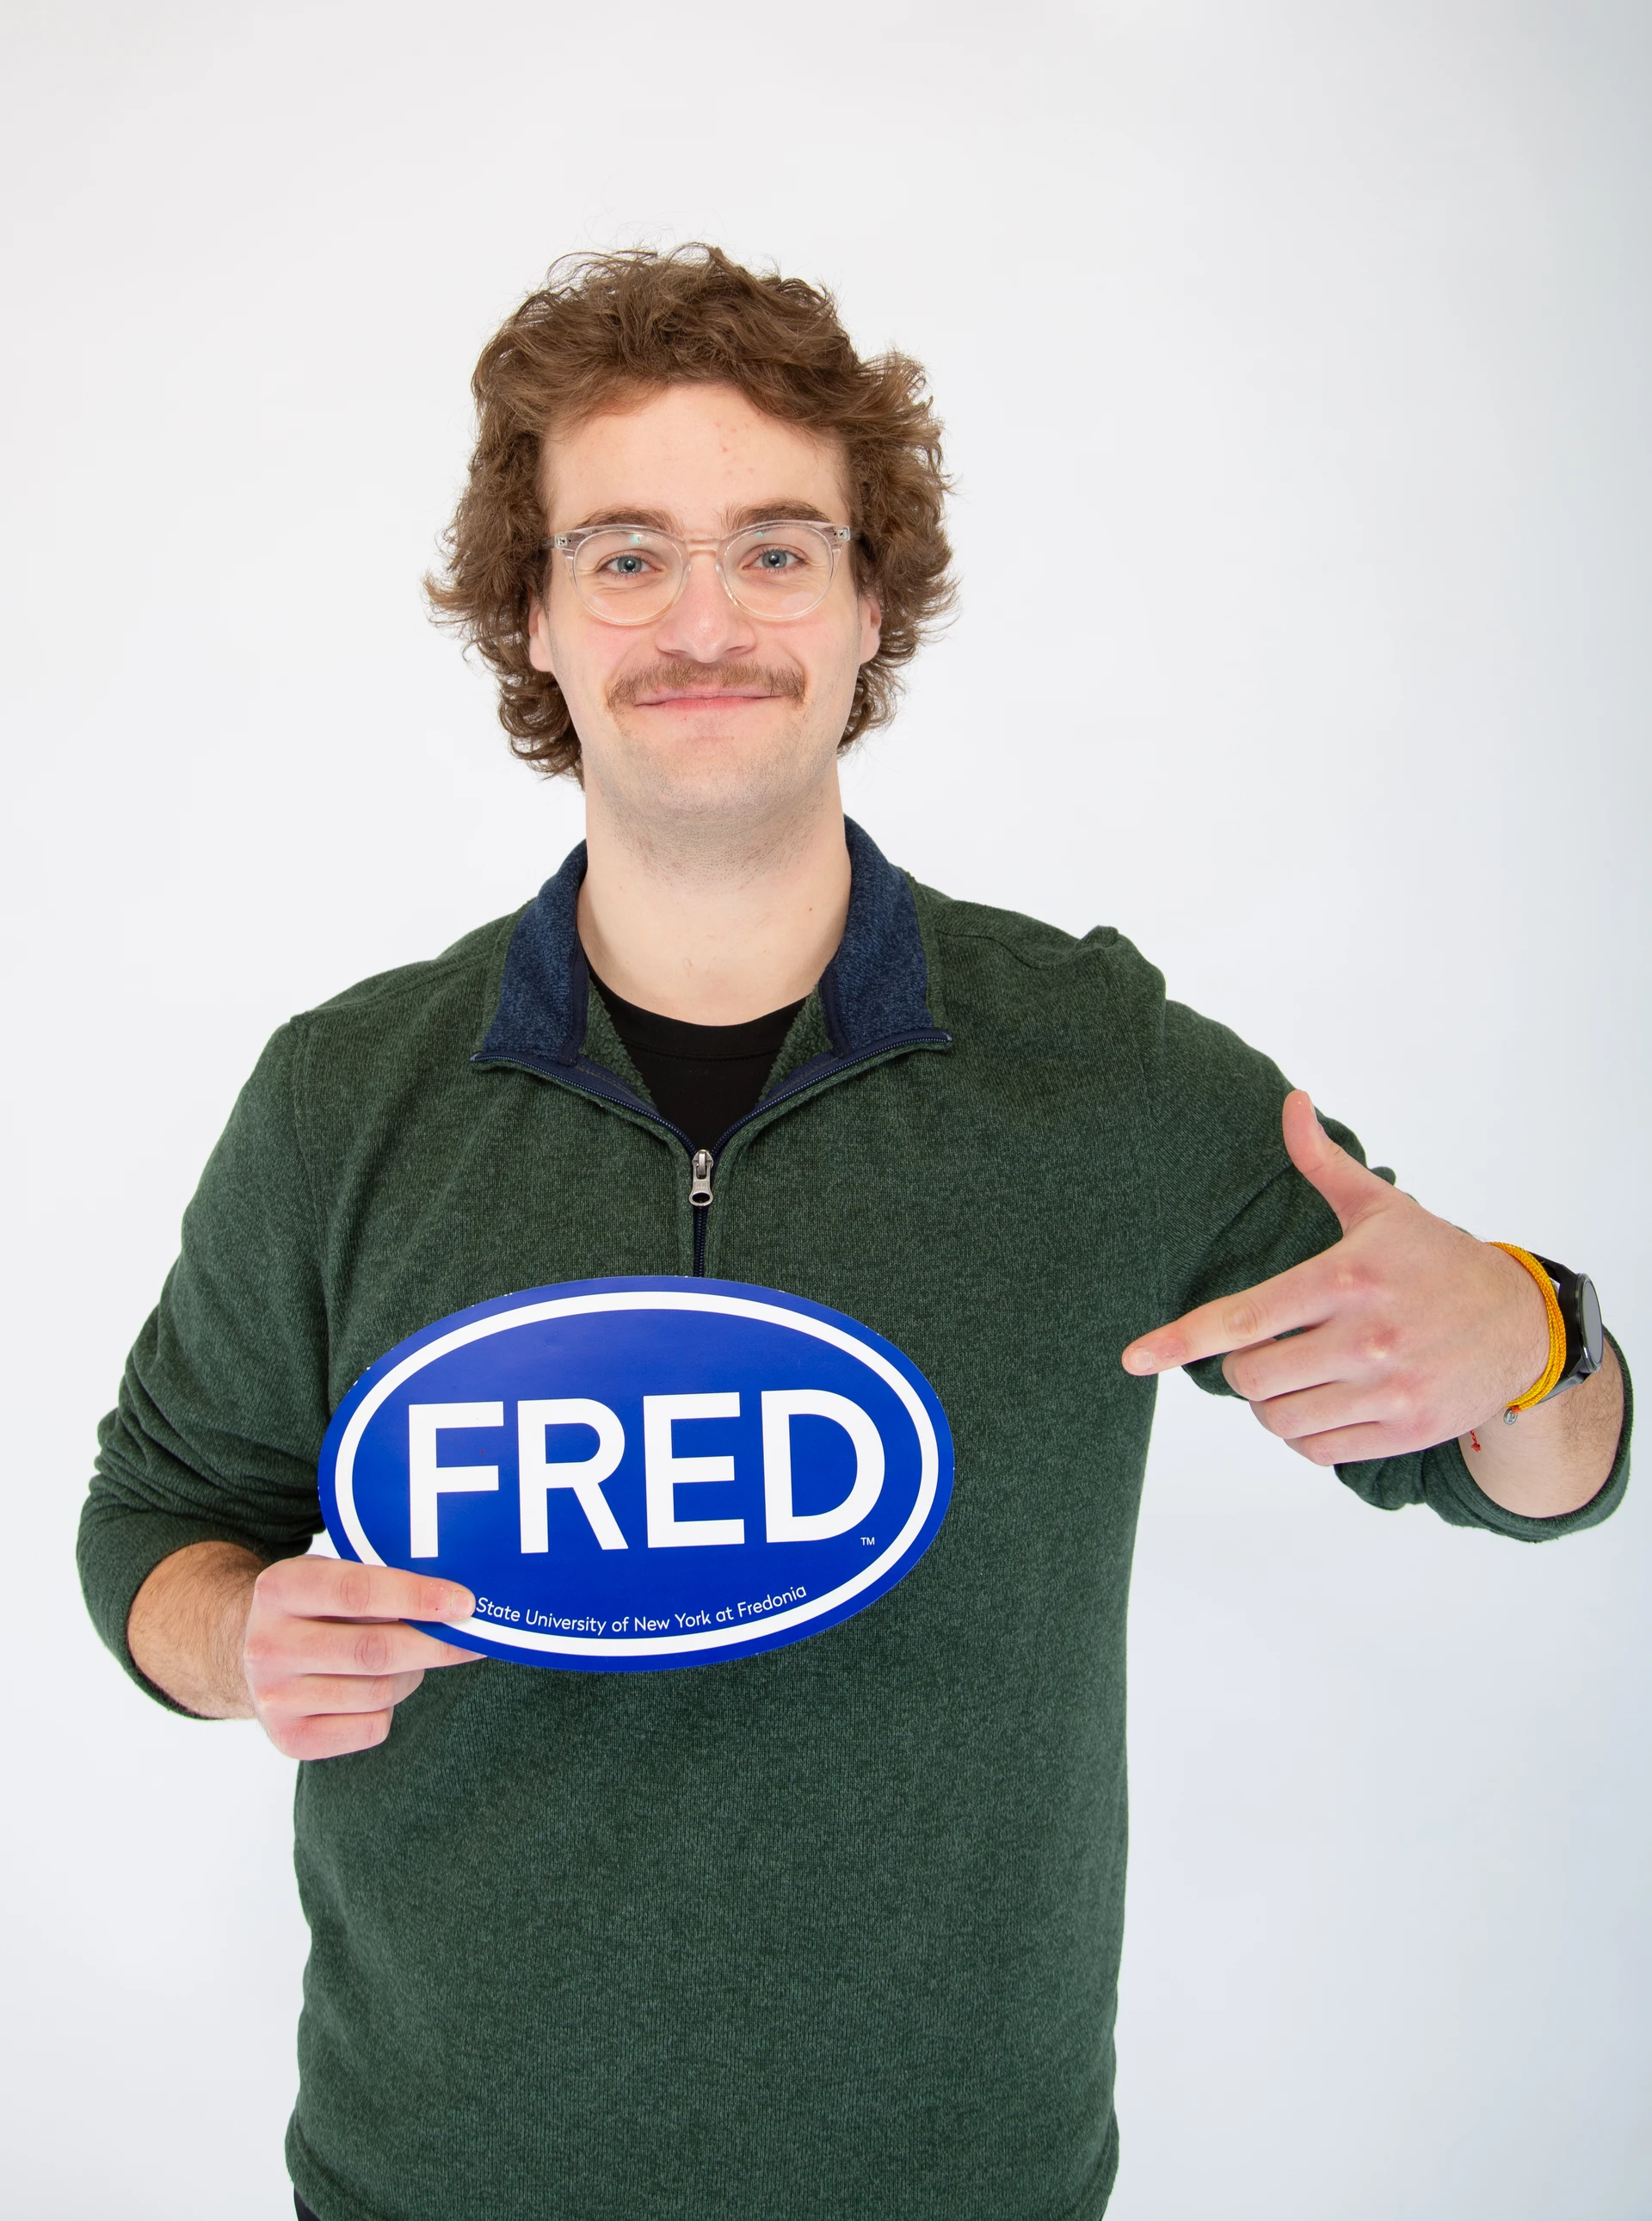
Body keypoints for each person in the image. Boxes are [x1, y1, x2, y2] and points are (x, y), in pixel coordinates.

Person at [78, 246, 1629, 2221]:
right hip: (436, 2181)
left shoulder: (1107, 1075)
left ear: (872, 602)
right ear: (534, 616)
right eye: (625, 554)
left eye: (777, 550)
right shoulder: (346, 1097)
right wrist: (240, 1638)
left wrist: (1531, 1335)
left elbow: (1535, 1478)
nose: (702, 619)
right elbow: (155, 1522)